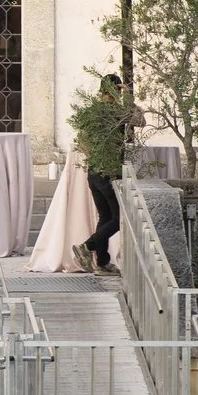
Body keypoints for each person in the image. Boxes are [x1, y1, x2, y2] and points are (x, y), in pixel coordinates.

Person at [77, 72, 129, 274]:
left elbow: (82, 141)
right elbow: (139, 120)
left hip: (93, 170)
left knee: (105, 216)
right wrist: (130, 96)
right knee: (118, 218)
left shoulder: (91, 111)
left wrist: (95, 158)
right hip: (109, 171)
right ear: (116, 91)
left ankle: (102, 263)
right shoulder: (115, 112)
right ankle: (87, 246)